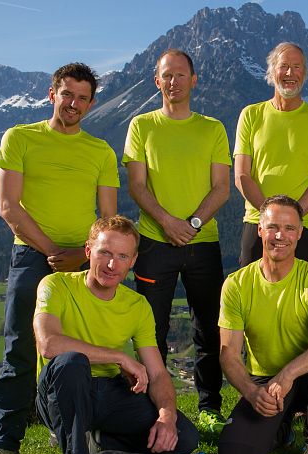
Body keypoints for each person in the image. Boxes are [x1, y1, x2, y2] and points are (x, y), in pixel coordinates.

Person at [0, 63, 118, 454]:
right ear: (51, 94)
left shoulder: (101, 152)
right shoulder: (19, 138)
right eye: (67, 94)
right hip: (34, 257)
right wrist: (54, 251)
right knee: (20, 349)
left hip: (87, 260)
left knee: (84, 350)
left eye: (82, 97)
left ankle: (76, 429)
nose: (74, 103)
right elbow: (8, 207)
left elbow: (108, 216)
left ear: (91, 103)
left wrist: (85, 255)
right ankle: (4, 447)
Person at [34, 216, 200, 454]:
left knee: (184, 438)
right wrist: (119, 357)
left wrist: (167, 415)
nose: (112, 264)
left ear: (133, 261)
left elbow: (157, 373)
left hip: (110, 392)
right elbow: (49, 344)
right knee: (71, 362)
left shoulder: (137, 305)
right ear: (88, 251)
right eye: (104, 253)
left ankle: (104, 441)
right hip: (61, 390)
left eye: (123, 256)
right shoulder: (56, 285)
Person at [122, 49, 230, 428]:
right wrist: (168, 222)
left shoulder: (212, 128)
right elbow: (136, 186)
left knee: (209, 328)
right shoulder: (141, 126)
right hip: (153, 242)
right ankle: (153, 409)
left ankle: (209, 408)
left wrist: (193, 223)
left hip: (203, 242)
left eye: (181, 75)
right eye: (166, 75)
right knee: (152, 331)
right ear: (157, 81)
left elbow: (222, 187)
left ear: (193, 80)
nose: (173, 81)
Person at [216, 196, 308, 454]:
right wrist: (252, 392)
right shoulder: (236, 284)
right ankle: (281, 429)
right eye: (273, 227)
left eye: (290, 228)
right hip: (265, 382)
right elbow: (228, 354)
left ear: (300, 233)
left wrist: (289, 373)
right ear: (259, 229)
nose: (280, 236)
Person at [234, 42, 308, 267]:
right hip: (257, 223)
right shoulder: (250, 115)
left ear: (305, 74)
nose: (290, 73)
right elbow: (242, 175)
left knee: (303, 299)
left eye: (297, 67)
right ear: (272, 72)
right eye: (284, 66)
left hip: (305, 225)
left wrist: (291, 218)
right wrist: (269, 218)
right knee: (252, 298)